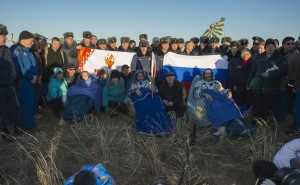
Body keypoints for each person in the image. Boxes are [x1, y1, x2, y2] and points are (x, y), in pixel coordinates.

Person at [247, 39, 288, 120]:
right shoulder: (259, 57)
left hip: (271, 89)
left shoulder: (280, 58)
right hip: (258, 88)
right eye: (268, 46)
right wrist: (248, 83)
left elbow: (284, 70)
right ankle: (256, 124)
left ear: (275, 47)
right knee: (257, 107)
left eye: (272, 46)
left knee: (267, 109)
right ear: (265, 48)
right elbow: (252, 71)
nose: (270, 48)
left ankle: (265, 126)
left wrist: (270, 74)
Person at [129, 70, 174, 135]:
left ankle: (158, 121)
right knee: (143, 105)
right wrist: (135, 91)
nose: (140, 77)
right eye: (138, 76)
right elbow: (130, 92)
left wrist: (153, 89)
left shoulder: (147, 82)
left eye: (141, 76)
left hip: (149, 97)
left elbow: (155, 90)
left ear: (144, 76)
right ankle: (145, 124)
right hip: (140, 99)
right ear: (136, 77)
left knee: (157, 102)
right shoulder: (134, 84)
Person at [10, 30, 40, 130]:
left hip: (31, 81)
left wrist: (35, 75)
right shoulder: (16, 50)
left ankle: (29, 123)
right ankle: (27, 127)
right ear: (23, 39)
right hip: (22, 81)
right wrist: (31, 77)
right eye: (31, 41)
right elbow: (19, 67)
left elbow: (34, 65)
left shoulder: (28, 51)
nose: (32, 43)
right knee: (26, 104)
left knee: (31, 102)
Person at [0, 24, 22, 138]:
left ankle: (15, 128)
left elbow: (12, 67)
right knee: (1, 111)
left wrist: (16, 78)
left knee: (14, 108)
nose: (6, 39)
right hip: (1, 87)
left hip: (10, 85)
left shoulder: (6, 49)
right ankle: (4, 133)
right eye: (4, 36)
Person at [274, 37, 300, 121]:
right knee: (276, 104)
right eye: (288, 44)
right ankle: (274, 120)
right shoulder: (277, 53)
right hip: (276, 82)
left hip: (287, 84)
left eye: (292, 43)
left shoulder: (297, 55)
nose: (291, 45)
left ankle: (279, 122)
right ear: (283, 44)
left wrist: (294, 84)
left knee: (283, 104)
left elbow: (298, 72)